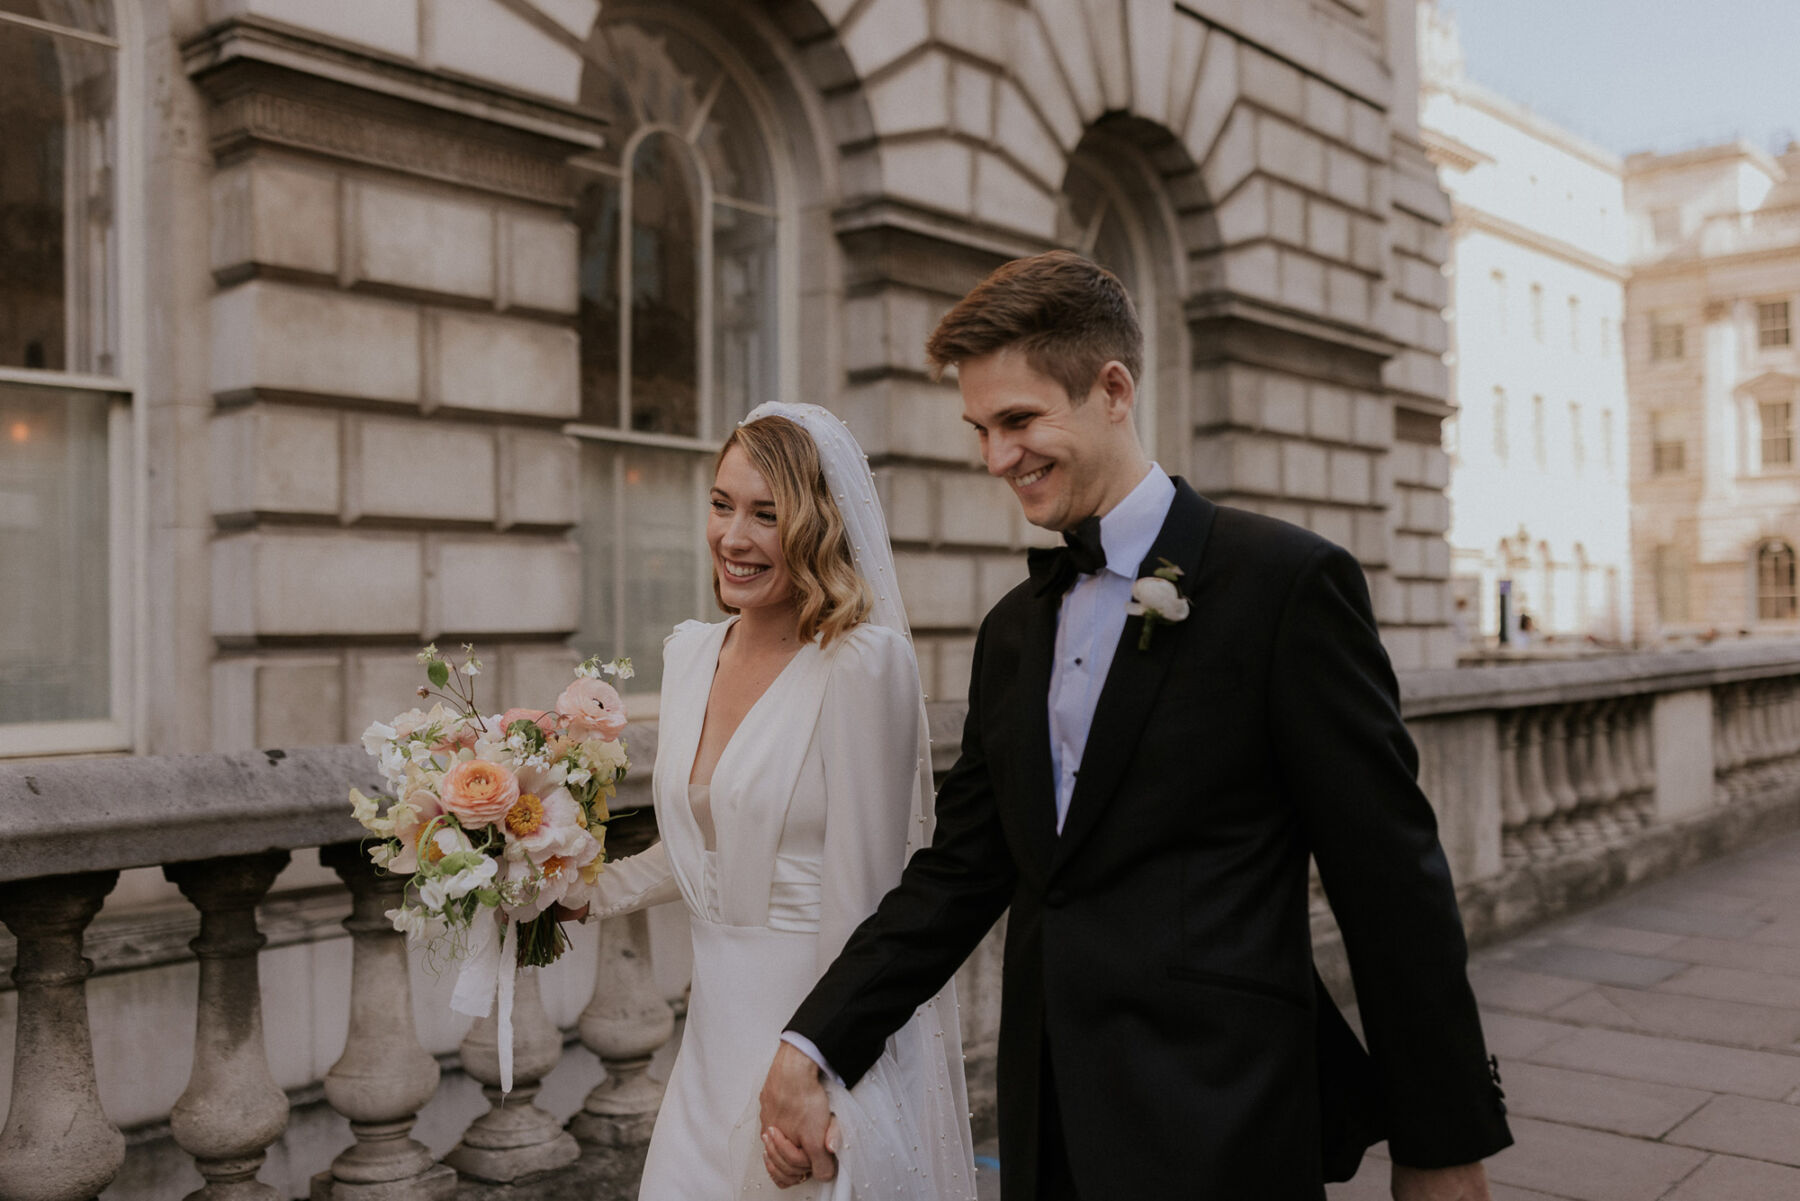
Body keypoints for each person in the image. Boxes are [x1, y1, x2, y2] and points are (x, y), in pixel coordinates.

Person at [759, 251, 1513, 1199]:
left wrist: (1440, 1142)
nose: (998, 457)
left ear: (1112, 389)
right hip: (1049, 1129)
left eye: (1021, 420)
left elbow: (1391, 882)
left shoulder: (1288, 585)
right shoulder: (1011, 630)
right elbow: (960, 873)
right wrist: (816, 1037)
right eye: (981, 428)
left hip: (1226, 1117)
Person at [580, 404, 977, 1200]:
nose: (734, 536)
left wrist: (822, 1077)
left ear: (819, 526)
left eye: (768, 514)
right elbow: (709, 842)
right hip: (706, 1048)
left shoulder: (863, 664)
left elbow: (867, 896)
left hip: (807, 1046)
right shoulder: (691, 652)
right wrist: (571, 889)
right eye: (723, 504)